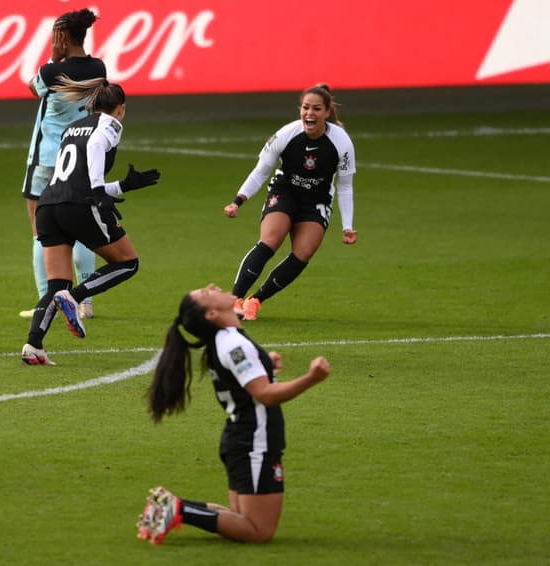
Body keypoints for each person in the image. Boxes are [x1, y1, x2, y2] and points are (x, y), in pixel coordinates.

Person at [136, 283, 330, 544]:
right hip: (254, 442)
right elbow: (264, 394)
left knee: (240, 518)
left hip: (241, 438)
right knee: (257, 531)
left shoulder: (224, 340)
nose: (212, 286)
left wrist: (264, 364)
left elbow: (241, 379)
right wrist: (311, 378)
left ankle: (172, 506)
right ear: (211, 314)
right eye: (205, 293)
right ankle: (176, 508)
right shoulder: (233, 343)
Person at [20, 77, 161, 365]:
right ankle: (76, 297)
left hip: (49, 205)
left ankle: (33, 345)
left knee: (56, 285)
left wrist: (123, 186)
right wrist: (99, 190)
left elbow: (75, 176)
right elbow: (95, 151)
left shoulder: (72, 128)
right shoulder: (110, 124)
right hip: (78, 205)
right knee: (128, 263)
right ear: (120, 108)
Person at [223, 84, 358, 321]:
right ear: (300, 110)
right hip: (285, 192)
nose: (310, 114)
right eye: (306, 108)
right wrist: (238, 201)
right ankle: (235, 299)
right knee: (270, 241)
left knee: (303, 253)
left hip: (316, 200)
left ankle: (256, 300)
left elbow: (345, 185)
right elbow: (261, 171)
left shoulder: (341, 142)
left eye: (317, 109)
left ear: (327, 112)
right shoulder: (286, 135)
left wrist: (347, 225)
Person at [20, 8, 107, 321]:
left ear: (61, 38)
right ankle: (86, 300)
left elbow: (32, 88)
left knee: (40, 230)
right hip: (81, 157)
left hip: (46, 159)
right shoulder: (99, 67)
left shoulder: (51, 72)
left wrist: (54, 58)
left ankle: (49, 303)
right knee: (81, 227)